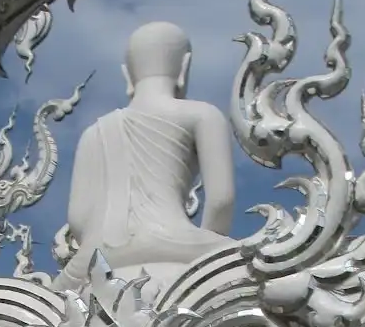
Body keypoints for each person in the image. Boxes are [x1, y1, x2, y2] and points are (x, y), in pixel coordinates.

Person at [58, 20, 236, 290]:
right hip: (173, 241)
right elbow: (221, 201)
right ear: (184, 67)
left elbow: (79, 220)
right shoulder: (203, 114)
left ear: (127, 75)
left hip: (95, 258)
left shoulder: (92, 133)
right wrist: (209, 260)